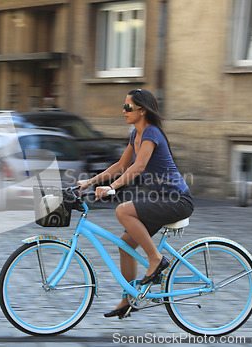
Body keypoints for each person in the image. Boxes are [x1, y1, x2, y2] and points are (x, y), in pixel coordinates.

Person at [77, 89, 194, 319]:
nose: (123, 110)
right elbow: (121, 165)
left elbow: (138, 167)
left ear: (142, 110)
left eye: (128, 107)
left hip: (177, 200)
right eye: (124, 106)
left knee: (123, 210)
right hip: (162, 199)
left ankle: (156, 260)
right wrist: (89, 182)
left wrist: (113, 188)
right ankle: (128, 301)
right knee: (125, 245)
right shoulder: (136, 135)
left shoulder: (152, 133)